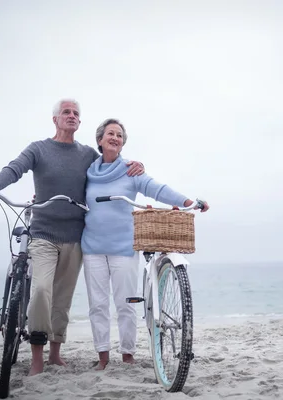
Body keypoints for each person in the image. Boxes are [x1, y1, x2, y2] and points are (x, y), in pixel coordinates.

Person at [0, 100, 145, 376]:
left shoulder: (87, 154)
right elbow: (14, 169)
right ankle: (37, 356)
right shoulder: (38, 149)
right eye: (67, 112)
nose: (72, 116)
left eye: (76, 113)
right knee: (41, 291)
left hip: (75, 237)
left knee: (62, 300)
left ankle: (55, 353)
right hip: (43, 234)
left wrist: (135, 164)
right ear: (55, 119)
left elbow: (110, 163)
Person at [81, 118, 209, 370]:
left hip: (124, 247)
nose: (115, 137)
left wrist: (185, 202)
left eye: (119, 135)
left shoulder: (131, 170)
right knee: (97, 305)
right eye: (110, 133)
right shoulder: (87, 173)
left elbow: (156, 188)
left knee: (126, 303)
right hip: (92, 247)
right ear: (100, 140)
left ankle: (128, 354)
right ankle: (103, 357)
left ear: (122, 142)